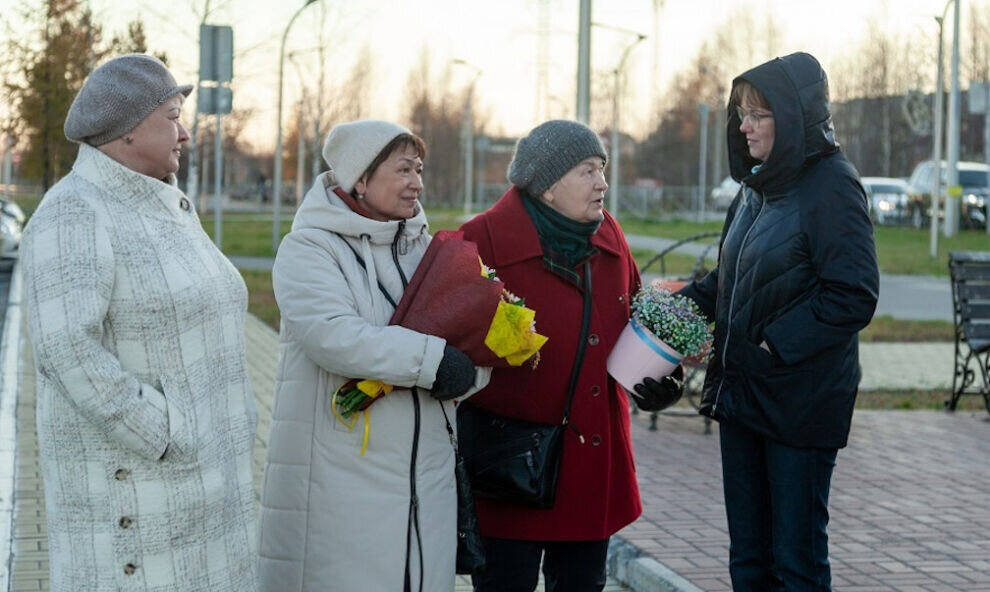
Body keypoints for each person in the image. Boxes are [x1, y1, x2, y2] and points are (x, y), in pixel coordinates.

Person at [20, 54, 258, 591]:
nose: (186, 133)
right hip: (138, 504)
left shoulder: (161, 204)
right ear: (127, 130)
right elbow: (66, 351)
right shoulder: (76, 212)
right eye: (173, 116)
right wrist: (169, 432)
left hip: (202, 493)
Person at [257, 119, 491, 592]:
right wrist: (433, 361)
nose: (417, 183)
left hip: (426, 483)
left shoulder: (426, 251)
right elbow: (334, 335)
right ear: (360, 179)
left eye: (419, 169)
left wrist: (475, 369)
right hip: (343, 480)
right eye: (403, 169)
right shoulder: (310, 248)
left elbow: (467, 333)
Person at [677, 52, 879, 591]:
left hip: (800, 404)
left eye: (757, 114)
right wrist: (676, 307)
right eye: (740, 113)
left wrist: (769, 346)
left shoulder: (832, 186)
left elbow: (853, 293)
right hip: (743, 397)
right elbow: (730, 280)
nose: (744, 126)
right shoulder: (754, 188)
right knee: (748, 559)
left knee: (797, 565)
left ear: (793, 117)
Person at [458, 119, 683, 592]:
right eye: (587, 170)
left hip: (589, 466)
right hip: (512, 470)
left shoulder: (610, 238)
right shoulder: (482, 243)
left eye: (603, 168)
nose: (603, 182)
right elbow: (448, 339)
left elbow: (633, 320)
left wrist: (660, 375)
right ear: (547, 185)